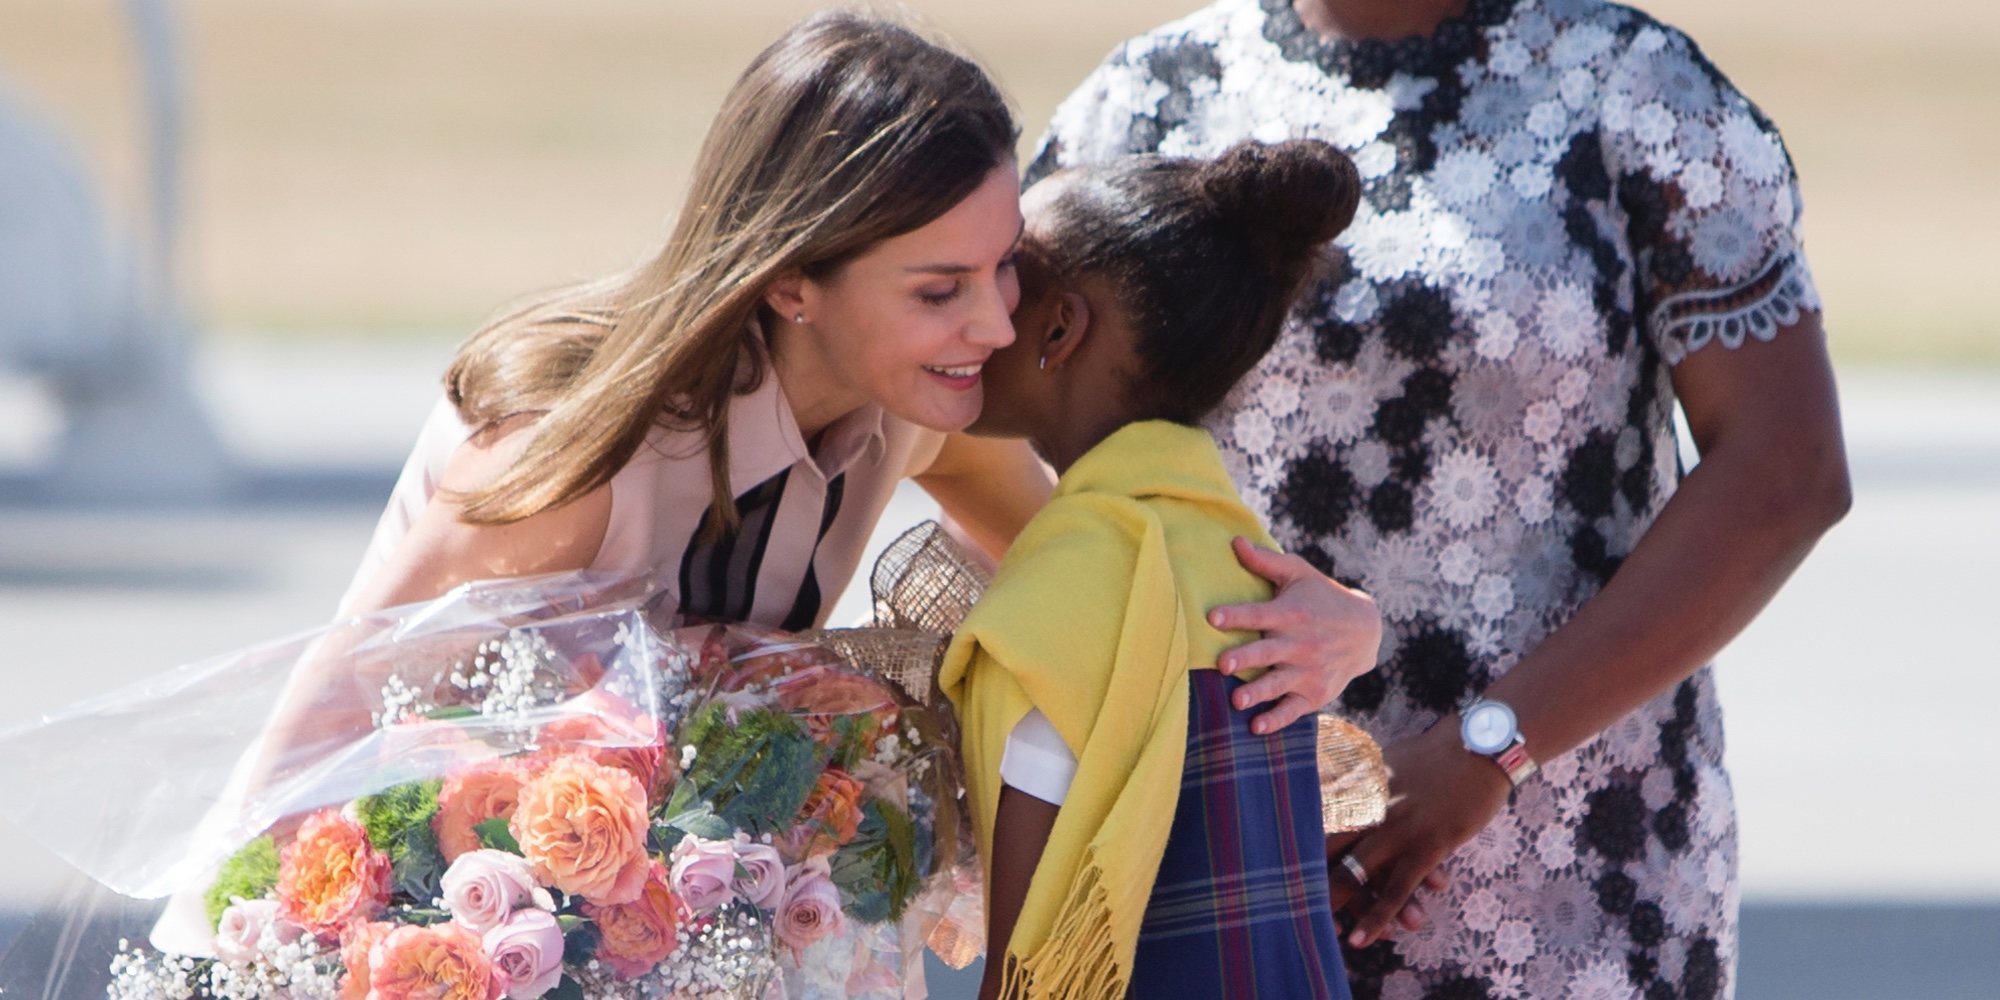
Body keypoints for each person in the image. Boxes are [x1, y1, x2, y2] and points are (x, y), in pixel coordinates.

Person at [1028, 1, 1850, 997]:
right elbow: (987, 426)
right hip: (1223, 853)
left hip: (1569, 881)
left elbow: (1783, 470)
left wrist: (1489, 747)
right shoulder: (1146, 98)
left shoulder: (1635, 91)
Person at [942, 138, 1366, 1000]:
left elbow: (1033, 967)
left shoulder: (1062, 596)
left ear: (1060, 326)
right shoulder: (1258, 573)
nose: (983, 308)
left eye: (1010, 273)